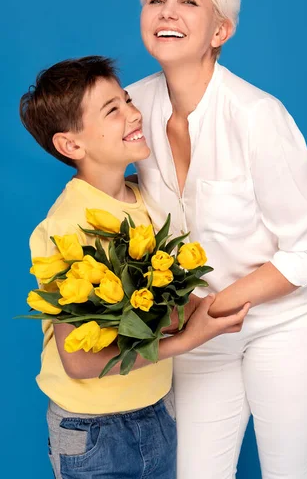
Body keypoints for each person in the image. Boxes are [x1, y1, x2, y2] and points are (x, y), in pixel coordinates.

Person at [126, 0, 307, 479]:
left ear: (220, 32)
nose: (168, 10)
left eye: (189, 1)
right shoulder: (129, 108)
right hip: (198, 336)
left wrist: (215, 306)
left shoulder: (259, 116)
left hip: (282, 325)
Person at [20, 55, 250, 479]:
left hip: (157, 411)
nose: (133, 112)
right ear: (71, 145)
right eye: (113, 109)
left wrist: (208, 305)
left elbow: (163, 304)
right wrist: (186, 338)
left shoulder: (144, 201)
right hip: (92, 431)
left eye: (127, 99)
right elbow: (80, 362)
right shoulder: (67, 228)